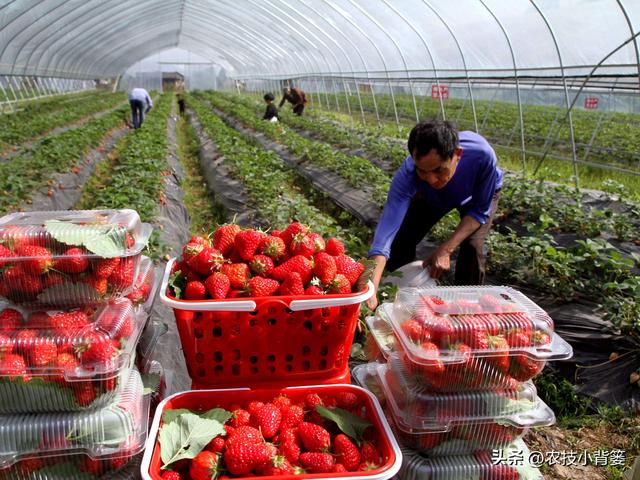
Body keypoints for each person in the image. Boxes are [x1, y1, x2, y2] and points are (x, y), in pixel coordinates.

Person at [367, 120, 503, 310]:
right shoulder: (409, 176)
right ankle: (399, 292)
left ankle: (467, 307)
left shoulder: (481, 155)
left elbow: (479, 212)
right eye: (422, 171)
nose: (431, 179)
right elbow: (385, 235)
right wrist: (370, 286)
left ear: (457, 155)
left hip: (475, 194)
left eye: (439, 170)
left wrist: (446, 249)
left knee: (472, 246)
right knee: (402, 237)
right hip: (435, 197)